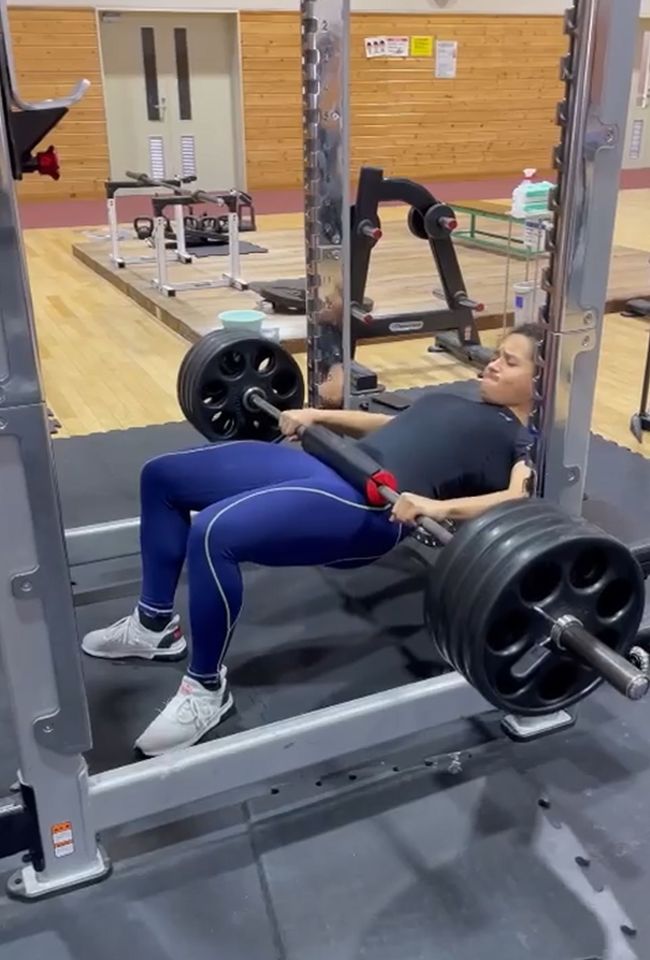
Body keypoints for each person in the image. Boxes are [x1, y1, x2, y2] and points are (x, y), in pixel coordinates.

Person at [82, 323, 540, 757]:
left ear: (539, 385)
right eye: (496, 355)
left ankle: (205, 689)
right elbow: (391, 427)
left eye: (510, 362)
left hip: (369, 504)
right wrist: (317, 415)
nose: (493, 364)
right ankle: (154, 626)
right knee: (162, 477)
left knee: (214, 532)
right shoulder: (464, 401)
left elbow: (515, 496)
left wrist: (436, 509)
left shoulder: (520, 440)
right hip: (333, 463)